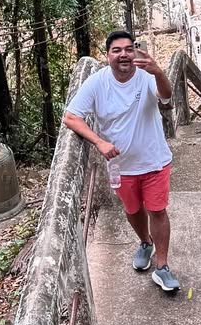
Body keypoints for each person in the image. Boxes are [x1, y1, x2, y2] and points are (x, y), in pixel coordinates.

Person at [63, 30, 181, 295]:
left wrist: (158, 71)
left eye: (129, 49)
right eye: (117, 50)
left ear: (134, 52)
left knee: (158, 211)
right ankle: (144, 243)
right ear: (108, 56)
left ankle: (162, 267)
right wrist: (99, 142)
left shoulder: (147, 75)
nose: (124, 55)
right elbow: (71, 117)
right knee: (132, 209)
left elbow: (166, 95)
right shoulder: (97, 83)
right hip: (121, 165)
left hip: (154, 160)